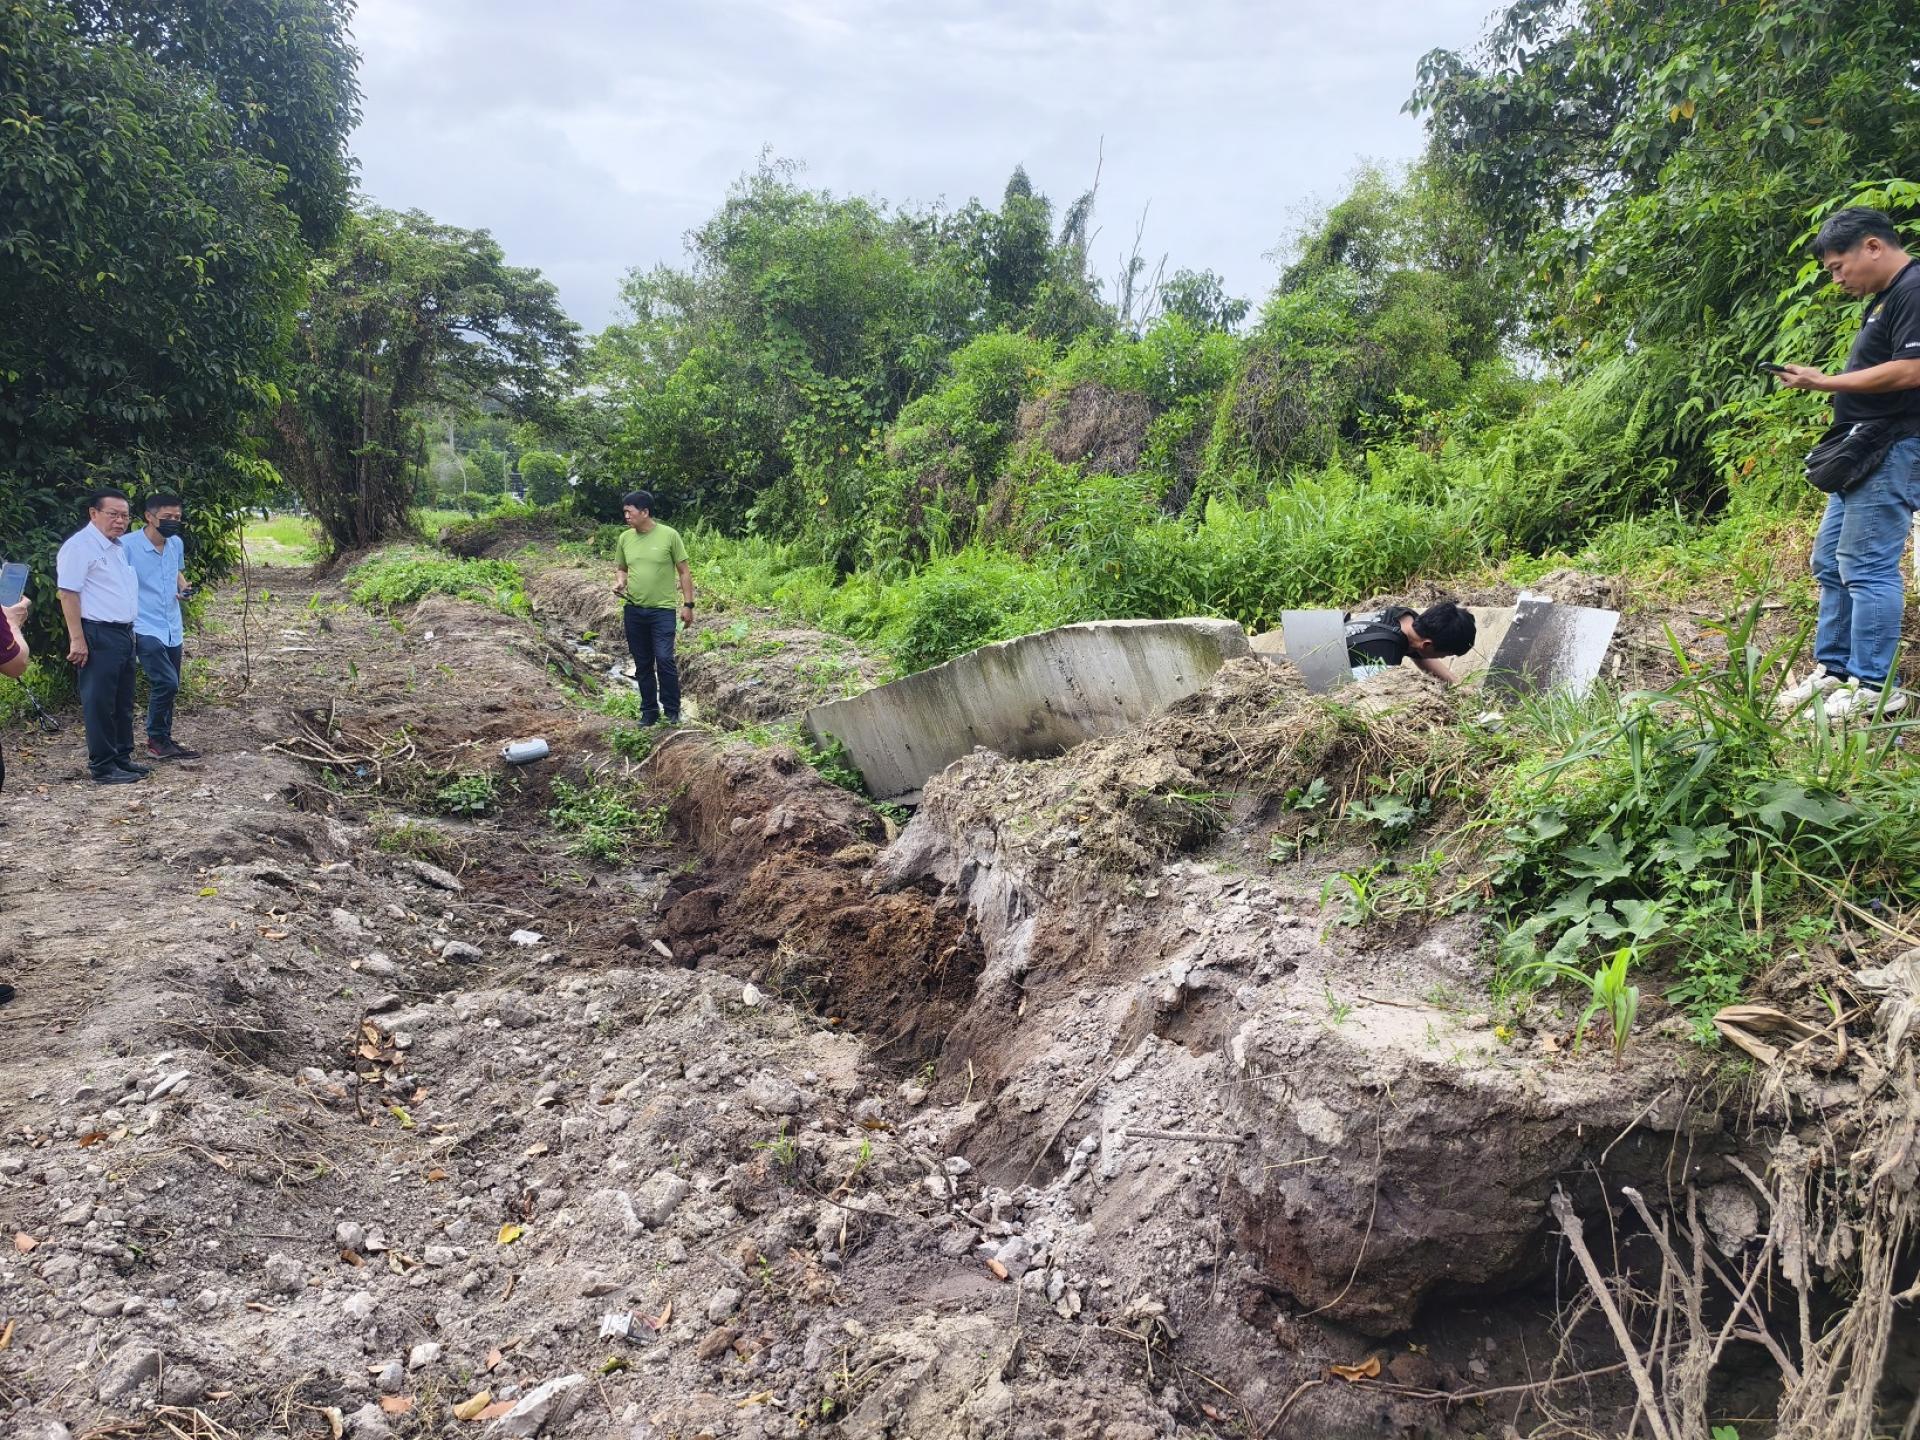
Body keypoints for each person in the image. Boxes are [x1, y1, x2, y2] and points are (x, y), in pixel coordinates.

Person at [1775, 206, 1920, 721]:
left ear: (1873, 246)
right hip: (1862, 449)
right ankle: (1836, 670)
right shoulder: (1885, 299)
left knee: (1867, 564)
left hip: (1892, 445)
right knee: (1830, 561)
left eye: (1838, 267)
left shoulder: (1913, 289)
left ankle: (1876, 684)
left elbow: (1911, 370)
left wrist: (1825, 382)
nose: (1836, 279)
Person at [56, 487, 147, 784]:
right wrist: (77, 638)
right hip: (97, 633)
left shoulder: (116, 547)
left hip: (124, 634)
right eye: (113, 514)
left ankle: (122, 757)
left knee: (122, 700)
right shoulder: (79, 547)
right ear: (93, 513)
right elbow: (68, 594)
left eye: (125, 516)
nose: (120, 521)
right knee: (100, 702)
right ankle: (103, 765)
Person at [120, 492, 198, 760]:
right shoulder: (127, 546)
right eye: (167, 517)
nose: (173, 521)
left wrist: (184, 589)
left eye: (177, 517)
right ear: (149, 517)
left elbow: (176, 571)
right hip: (143, 624)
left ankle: (163, 739)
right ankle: (155, 738)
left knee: (170, 684)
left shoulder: (176, 543)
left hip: (172, 625)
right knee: (167, 682)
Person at [611, 489, 694, 725]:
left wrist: (688, 605)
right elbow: (622, 568)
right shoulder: (625, 539)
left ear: (645, 512)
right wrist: (620, 582)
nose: (626, 516)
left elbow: (684, 571)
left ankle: (672, 712)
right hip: (634, 610)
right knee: (643, 663)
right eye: (625, 512)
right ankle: (649, 712)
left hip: (662, 610)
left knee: (664, 658)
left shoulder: (669, 536)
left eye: (630, 512)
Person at [1344, 600, 1477, 684]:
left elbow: (1420, 655)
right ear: (1427, 645)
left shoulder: (1405, 616)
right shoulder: (1386, 657)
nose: (1442, 658)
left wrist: (1457, 684)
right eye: (1445, 655)